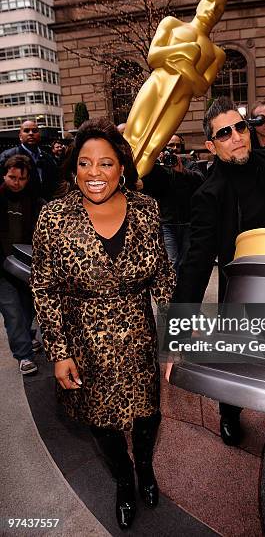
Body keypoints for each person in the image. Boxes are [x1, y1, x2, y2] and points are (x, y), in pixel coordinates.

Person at [172, 97, 265, 510]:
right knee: (234, 367)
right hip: (240, 300)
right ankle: (229, 412)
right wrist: (176, 333)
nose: (237, 137)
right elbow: (195, 263)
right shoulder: (209, 194)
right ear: (210, 145)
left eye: (240, 127)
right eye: (224, 133)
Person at [31, 119, 176, 530]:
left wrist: (173, 335)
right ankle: (124, 481)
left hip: (138, 336)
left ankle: (146, 469)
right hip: (84, 342)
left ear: (122, 168)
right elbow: (44, 289)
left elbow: (163, 275)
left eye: (106, 163)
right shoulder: (54, 218)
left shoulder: (146, 210)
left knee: (148, 414)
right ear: (73, 169)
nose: (95, 173)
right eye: (85, 163)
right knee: (102, 422)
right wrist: (59, 353)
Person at [124, 0, 227, 177]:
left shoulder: (216, 54)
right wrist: (183, 50)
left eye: (219, 8)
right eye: (210, 1)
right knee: (131, 136)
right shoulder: (171, 24)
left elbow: (201, 88)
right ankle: (115, 179)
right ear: (200, 3)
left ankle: (133, 183)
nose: (212, 9)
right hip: (156, 86)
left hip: (179, 100)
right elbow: (153, 57)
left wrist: (184, 67)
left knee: (154, 146)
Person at [0, 155, 45, 375]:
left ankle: (26, 337)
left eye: (22, 178)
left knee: (28, 310)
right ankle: (24, 355)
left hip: (27, 267)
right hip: (2, 268)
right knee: (12, 312)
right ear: (4, 175)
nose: (16, 182)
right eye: (12, 177)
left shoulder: (35, 202)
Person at [142, 134, 204, 275]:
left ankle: (183, 291)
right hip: (166, 222)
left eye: (177, 146)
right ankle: (172, 294)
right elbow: (147, 187)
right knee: (172, 260)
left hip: (188, 221)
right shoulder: (157, 167)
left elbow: (201, 180)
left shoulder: (189, 163)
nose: (174, 149)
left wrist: (182, 171)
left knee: (186, 261)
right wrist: (156, 165)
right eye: (171, 145)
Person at [0, 121, 58, 202]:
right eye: (26, 131)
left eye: (34, 131)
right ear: (20, 136)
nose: (31, 133)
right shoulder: (8, 156)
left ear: (39, 135)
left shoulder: (48, 157)